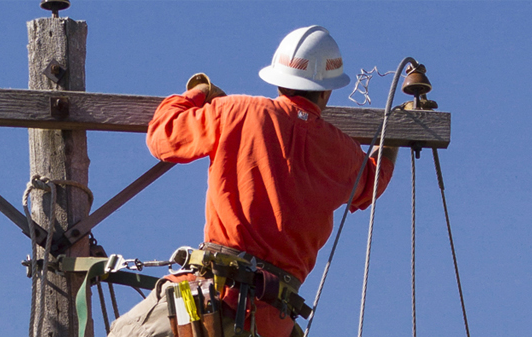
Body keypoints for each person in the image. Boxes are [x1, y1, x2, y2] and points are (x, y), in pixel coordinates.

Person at [109, 25, 397, 337]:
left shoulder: (237, 111)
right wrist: (393, 136)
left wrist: (198, 93)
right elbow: (373, 180)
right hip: (272, 320)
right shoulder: (341, 151)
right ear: (327, 91)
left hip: (214, 300)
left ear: (277, 80)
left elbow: (163, 138)